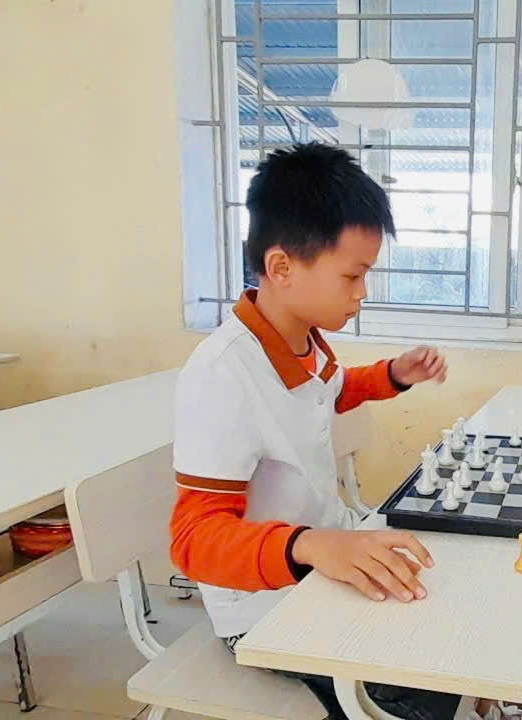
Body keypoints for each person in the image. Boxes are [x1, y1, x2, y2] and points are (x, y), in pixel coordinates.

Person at [169, 142, 460, 719]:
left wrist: (392, 375)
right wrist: (309, 545)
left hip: (325, 557)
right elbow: (193, 540)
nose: (362, 292)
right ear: (282, 268)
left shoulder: (304, 340)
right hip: (262, 607)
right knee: (416, 683)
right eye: (352, 275)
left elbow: (328, 394)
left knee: (447, 617)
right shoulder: (221, 375)